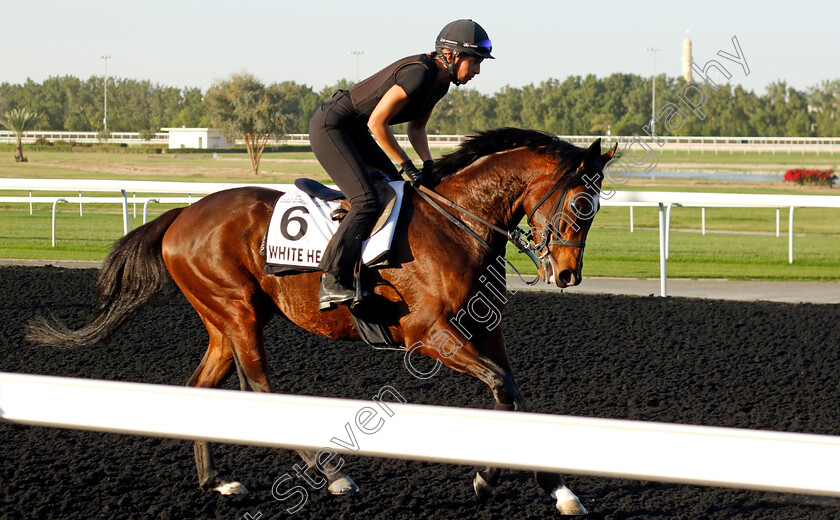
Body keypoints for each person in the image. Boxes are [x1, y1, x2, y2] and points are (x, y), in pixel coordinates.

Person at [309, 19, 494, 310]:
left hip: (356, 131)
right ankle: (332, 280)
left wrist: (429, 164)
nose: (477, 71)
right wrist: (406, 164)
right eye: (474, 62)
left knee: (395, 191)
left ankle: (371, 269)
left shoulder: (440, 85)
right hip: (333, 127)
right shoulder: (418, 74)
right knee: (367, 200)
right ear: (451, 55)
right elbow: (377, 122)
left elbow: (416, 129)